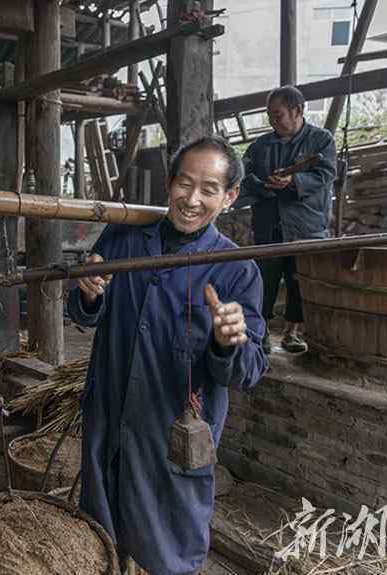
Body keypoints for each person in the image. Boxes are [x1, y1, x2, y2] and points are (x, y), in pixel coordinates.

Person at [68, 136, 269, 575]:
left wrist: (227, 341)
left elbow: (250, 369)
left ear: (229, 196)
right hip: (108, 420)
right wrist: (87, 293)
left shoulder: (238, 269)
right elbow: (83, 313)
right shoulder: (124, 238)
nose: (192, 199)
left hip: (171, 440)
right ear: (169, 183)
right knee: (99, 539)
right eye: (184, 183)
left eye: (209, 189)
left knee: (168, 553)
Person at [236, 85, 337, 354]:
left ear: (298, 111)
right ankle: (261, 332)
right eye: (270, 115)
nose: (273, 121)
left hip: (306, 224)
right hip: (270, 223)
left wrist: (294, 180)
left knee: (300, 280)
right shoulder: (261, 145)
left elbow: (326, 173)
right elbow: (242, 174)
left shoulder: (321, 140)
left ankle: (292, 333)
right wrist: (262, 185)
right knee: (264, 279)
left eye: (278, 115)